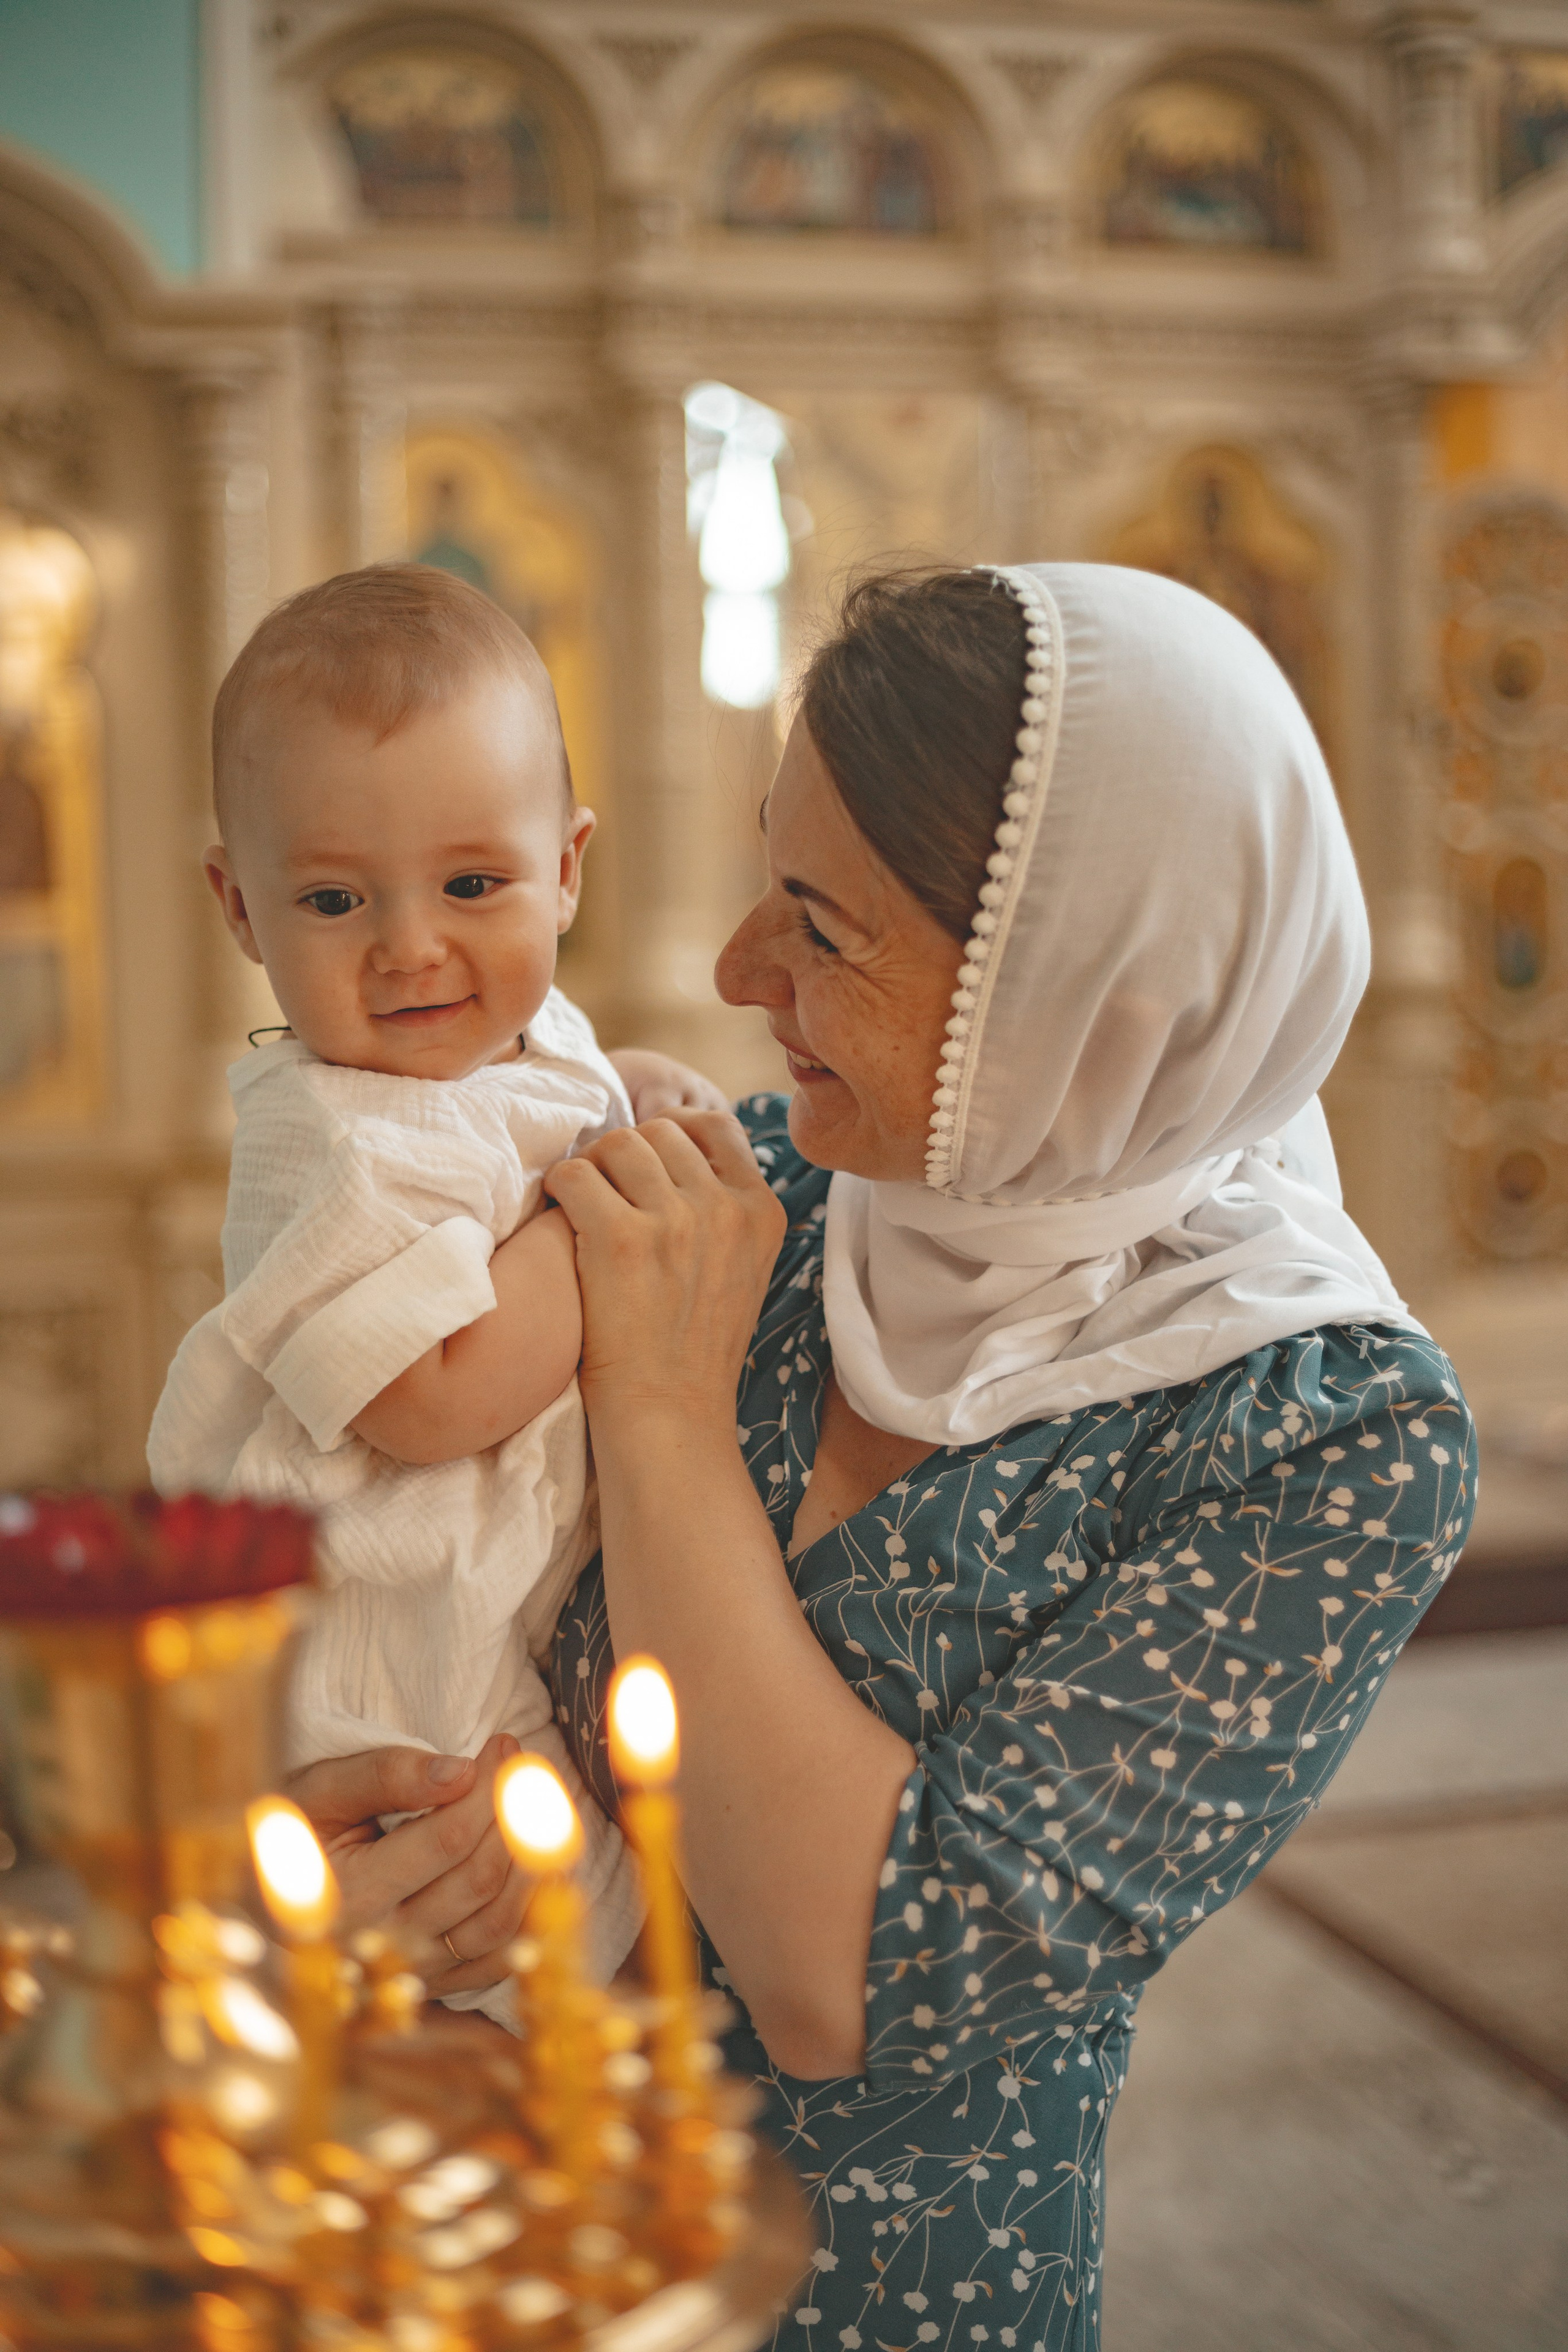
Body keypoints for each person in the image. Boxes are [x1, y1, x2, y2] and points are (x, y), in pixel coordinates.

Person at [288, 564, 1477, 2342]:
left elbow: (865, 1980)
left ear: (1087, 994)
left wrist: (670, 1415)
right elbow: (373, 1536)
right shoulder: (751, 1179)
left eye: (822, 928)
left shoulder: (1326, 1441)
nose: (730, 970)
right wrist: (361, 1852)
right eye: (770, 875)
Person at [148, 562, 723, 2018]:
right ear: (237, 903)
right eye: (335, 899)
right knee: (503, 1945)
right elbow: (428, 1393)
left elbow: (566, 1106)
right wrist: (606, 1212)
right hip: (375, 1650)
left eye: (474, 886)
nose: (411, 946)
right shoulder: (319, 1136)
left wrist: (634, 1097)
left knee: (597, 1946)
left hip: (486, 1609)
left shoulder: (517, 1039)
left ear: (568, 867)